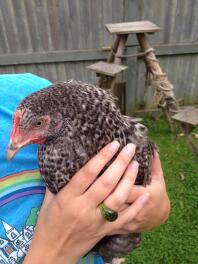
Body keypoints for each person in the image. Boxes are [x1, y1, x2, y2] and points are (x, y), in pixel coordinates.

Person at [0, 74, 170, 264]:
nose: (12, 144)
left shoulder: (25, 88)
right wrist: (52, 253)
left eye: (38, 124)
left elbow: (155, 208)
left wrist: (153, 208)